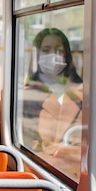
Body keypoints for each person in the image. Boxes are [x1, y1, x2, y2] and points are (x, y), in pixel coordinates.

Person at [23, 27, 83, 156]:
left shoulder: (84, 93)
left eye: (59, 50)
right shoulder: (24, 97)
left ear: (66, 54)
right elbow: (26, 141)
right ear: (37, 54)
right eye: (46, 50)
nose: (53, 56)